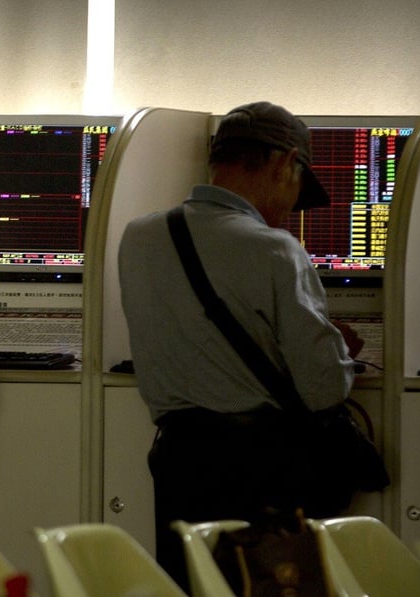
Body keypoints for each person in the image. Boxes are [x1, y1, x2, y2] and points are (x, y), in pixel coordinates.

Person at [117, 101, 365, 589]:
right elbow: (322, 390)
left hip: (178, 468)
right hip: (260, 475)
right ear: (282, 163)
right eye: (298, 185)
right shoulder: (276, 250)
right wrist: (340, 353)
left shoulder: (137, 237)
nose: (293, 205)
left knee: (194, 586)